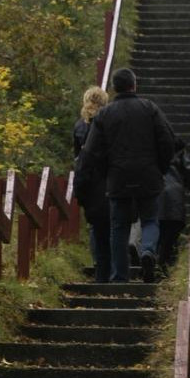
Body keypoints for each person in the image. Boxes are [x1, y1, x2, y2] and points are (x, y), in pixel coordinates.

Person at [78, 68, 175, 283]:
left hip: (117, 177)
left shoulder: (104, 114)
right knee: (150, 219)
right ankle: (148, 251)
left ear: (114, 89)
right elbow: (167, 141)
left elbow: (91, 152)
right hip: (148, 175)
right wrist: (160, 167)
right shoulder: (149, 108)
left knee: (118, 227)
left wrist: (105, 172)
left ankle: (119, 277)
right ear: (134, 85)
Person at [72, 86, 110, 282]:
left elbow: (76, 157)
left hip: (88, 181)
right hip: (107, 179)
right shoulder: (108, 124)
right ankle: (115, 270)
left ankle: (99, 266)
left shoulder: (80, 126)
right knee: (114, 224)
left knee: (95, 227)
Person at [157, 138, 190, 271]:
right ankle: (162, 266)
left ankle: (153, 261)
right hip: (174, 200)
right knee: (170, 236)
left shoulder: (149, 152)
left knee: (154, 232)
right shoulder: (178, 153)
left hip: (154, 196)